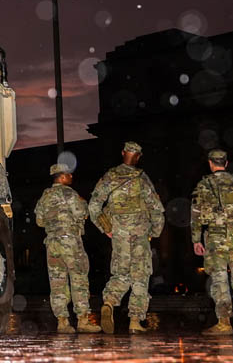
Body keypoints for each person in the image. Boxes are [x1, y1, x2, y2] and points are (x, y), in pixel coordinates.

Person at [89, 141, 164, 334]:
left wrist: (105, 228)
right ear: (138, 157)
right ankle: (135, 322)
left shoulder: (110, 176)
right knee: (140, 275)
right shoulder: (142, 178)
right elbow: (156, 208)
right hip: (140, 234)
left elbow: (93, 207)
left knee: (120, 273)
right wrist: (155, 231)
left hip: (119, 234)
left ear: (122, 153)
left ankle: (109, 302)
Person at [190, 149, 233, 334]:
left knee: (220, 280)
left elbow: (195, 214)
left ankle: (224, 323)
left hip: (216, 239)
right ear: (226, 163)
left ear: (210, 163)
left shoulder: (204, 184)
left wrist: (196, 240)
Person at [34, 162, 102, 334]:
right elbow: (81, 213)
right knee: (79, 280)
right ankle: (83, 320)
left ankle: (62, 322)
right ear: (62, 177)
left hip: (52, 244)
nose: (72, 177)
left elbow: (39, 221)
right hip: (70, 242)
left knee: (57, 283)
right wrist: (84, 204)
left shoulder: (45, 196)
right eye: (69, 174)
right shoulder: (70, 194)